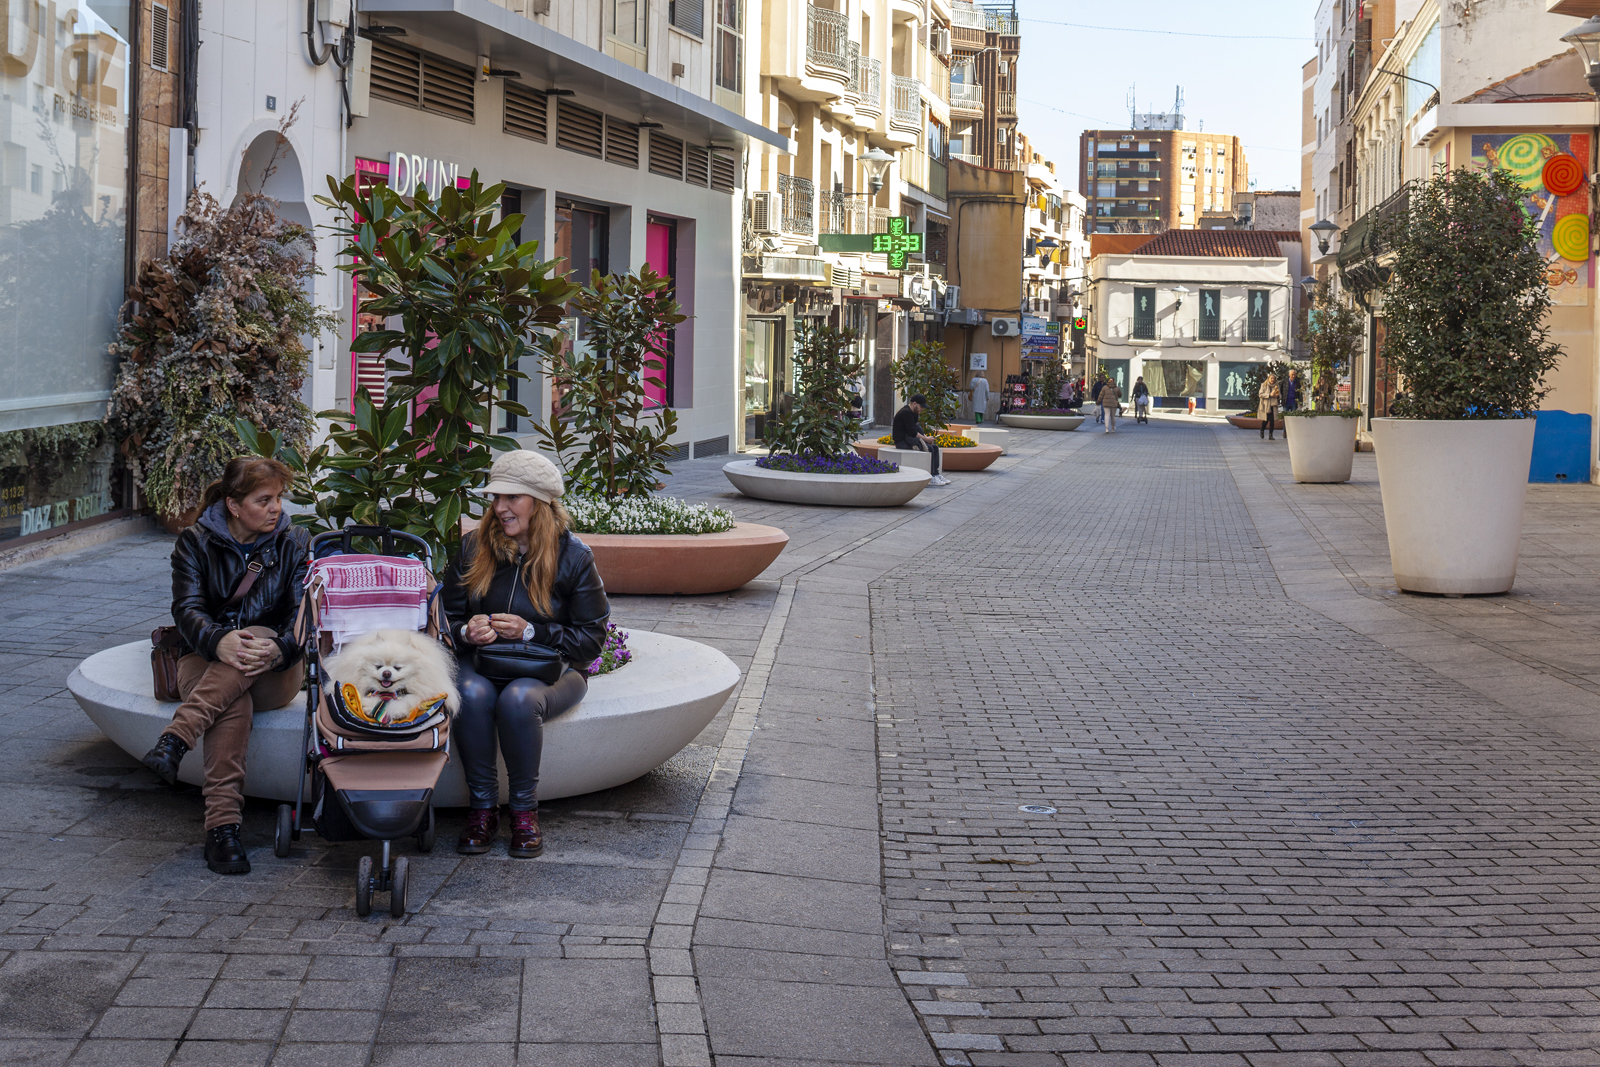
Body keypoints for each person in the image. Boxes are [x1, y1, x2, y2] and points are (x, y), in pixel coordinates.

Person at [140, 457, 310, 875]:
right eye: (264, 500)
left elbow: (303, 616)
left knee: (251, 647)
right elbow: (188, 609)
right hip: (205, 658)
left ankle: (176, 739)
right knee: (232, 702)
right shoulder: (195, 542)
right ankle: (224, 828)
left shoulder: (295, 541)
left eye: (278, 499)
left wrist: (280, 649)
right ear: (234, 505)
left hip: (274, 668)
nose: (276, 508)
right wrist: (219, 640)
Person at [443, 450, 610, 858]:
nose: (499, 508)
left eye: (512, 498)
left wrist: (532, 630)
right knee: (472, 694)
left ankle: (523, 812)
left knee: (520, 700)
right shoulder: (472, 548)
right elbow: (441, 624)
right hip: (483, 664)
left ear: (539, 502)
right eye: (495, 498)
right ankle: (482, 809)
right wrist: (467, 631)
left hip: (553, 671)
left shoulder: (573, 556)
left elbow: (591, 640)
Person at [893, 394, 950, 486]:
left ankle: (935, 474)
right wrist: (926, 439)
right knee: (930, 449)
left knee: (934, 448)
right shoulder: (906, 413)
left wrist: (926, 437)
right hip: (902, 442)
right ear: (914, 404)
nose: (922, 409)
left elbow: (917, 428)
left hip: (910, 439)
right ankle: (931, 477)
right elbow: (912, 432)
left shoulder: (914, 413)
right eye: (921, 407)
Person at [1258, 372, 1282, 441]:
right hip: (1266, 405)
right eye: (1271, 378)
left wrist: (1278, 396)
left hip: (1273, 405)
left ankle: (1271, 435)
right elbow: (1260, 394)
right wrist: (1269, 395)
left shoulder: (1276, 386)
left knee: (1272, 420)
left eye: (1274, 378)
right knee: (1266, 420)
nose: (1273, 380)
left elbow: (1280, 395)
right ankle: (1262, 430)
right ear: (1268, 379)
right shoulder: (1264, 385)